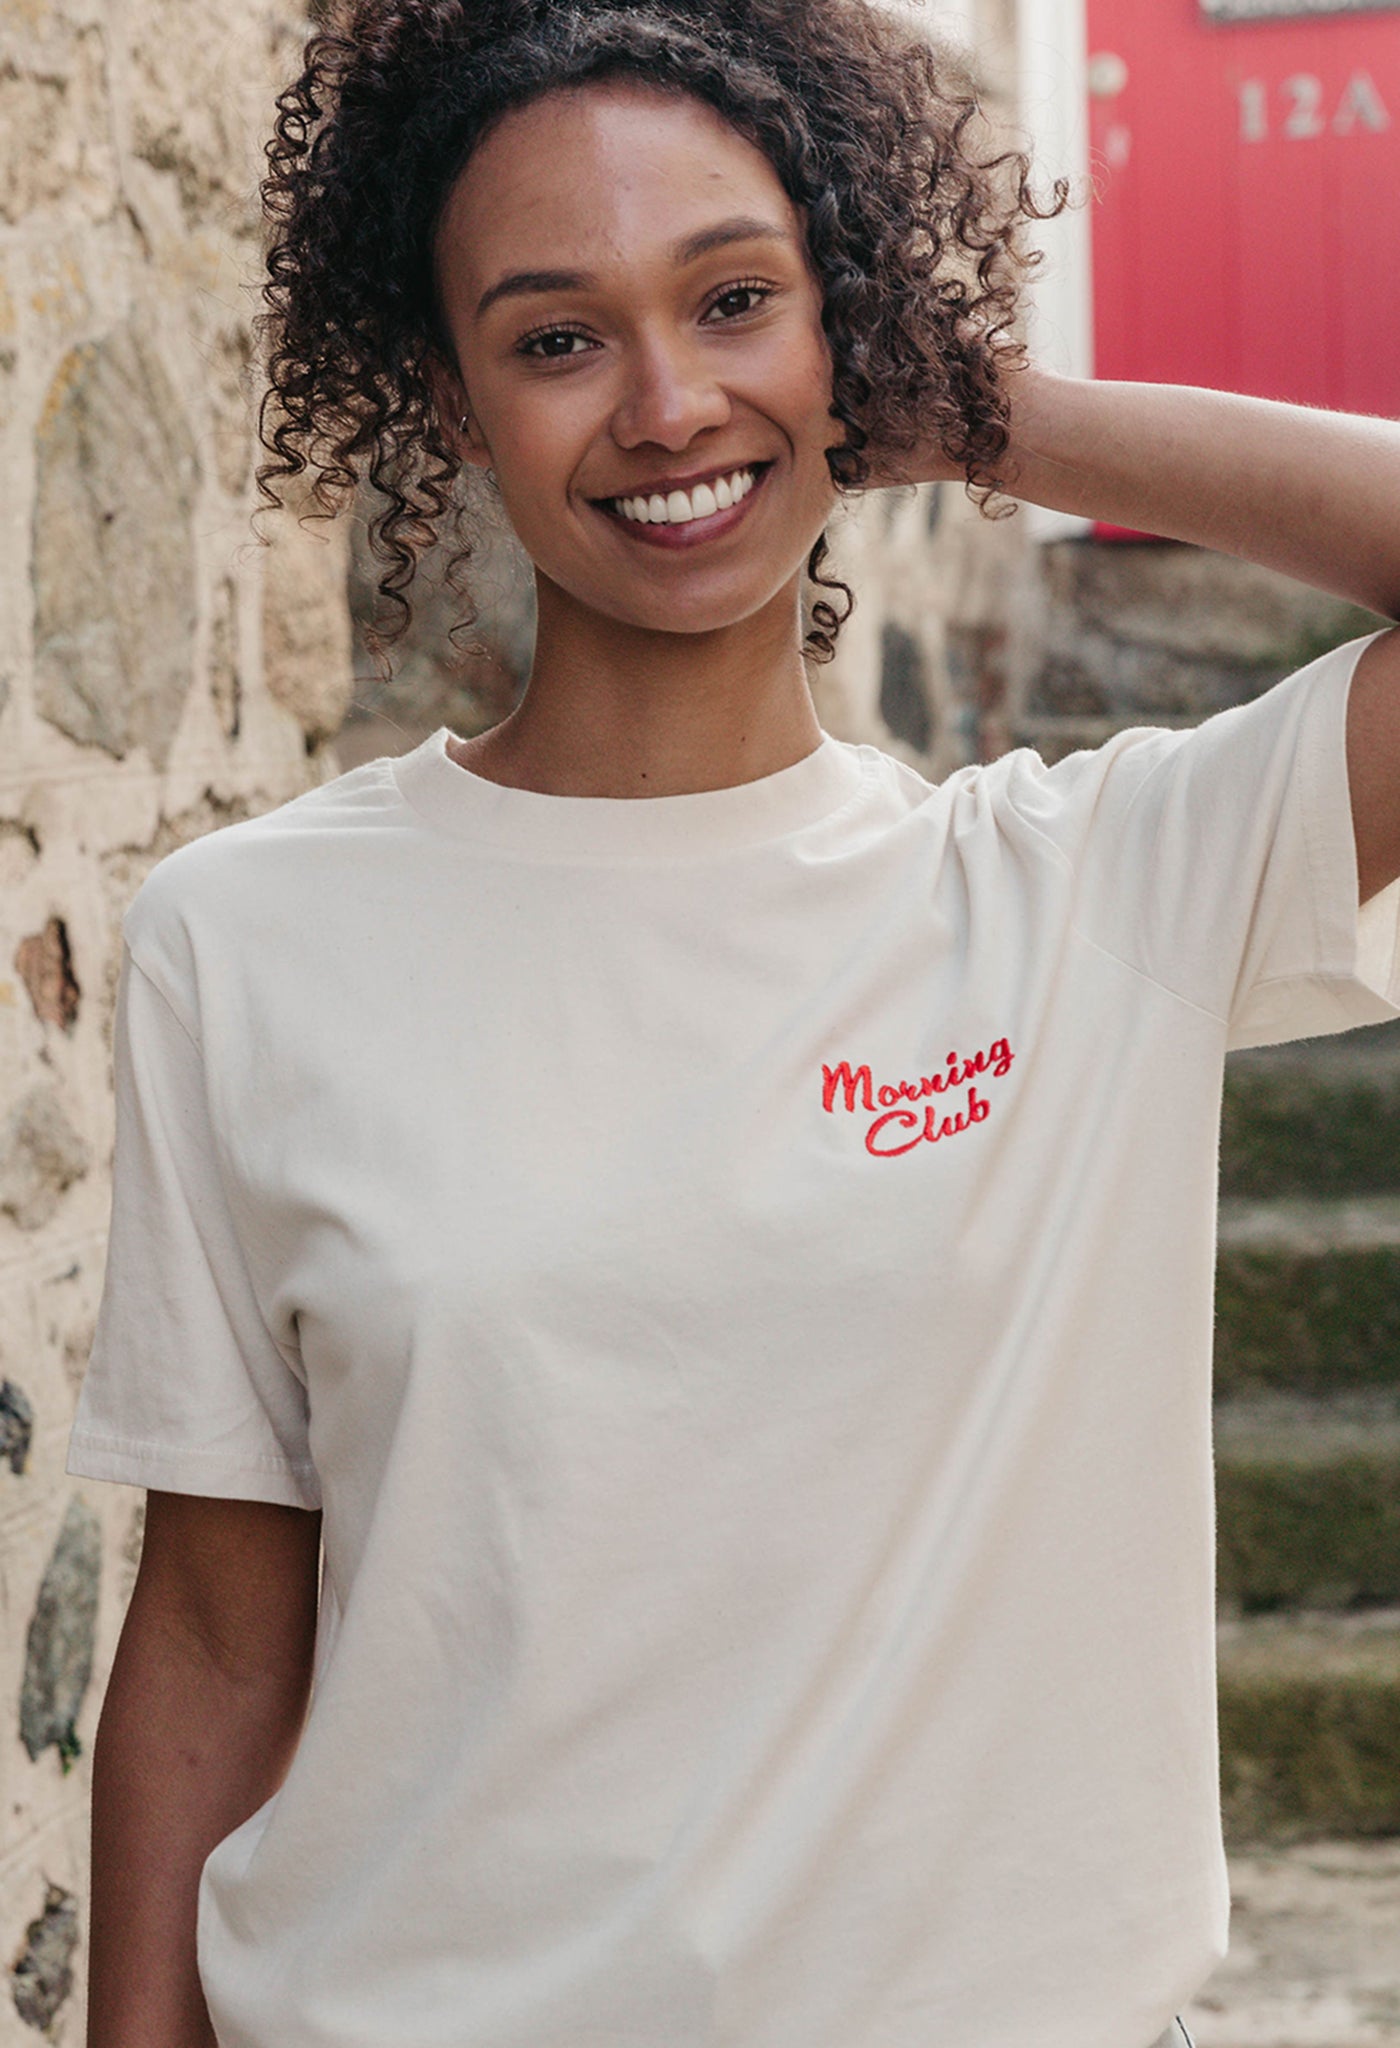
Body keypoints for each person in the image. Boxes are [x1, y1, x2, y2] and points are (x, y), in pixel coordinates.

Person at [66, 2, 1400, 2045]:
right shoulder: (244, 940)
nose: (667, 400)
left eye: (738, 298)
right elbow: (220, 1641)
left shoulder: (1091, 891)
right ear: (452, 398)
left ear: (845, 331)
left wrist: (975, 411)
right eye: (555, 336)